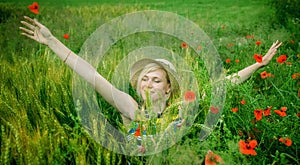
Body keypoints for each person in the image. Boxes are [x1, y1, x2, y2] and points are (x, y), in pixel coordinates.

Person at [19, 16, 282, 152]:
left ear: (168, 88)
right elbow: (91, 75)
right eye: (144, 78)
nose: (148, 83)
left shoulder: (181, 108)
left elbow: (223, 85)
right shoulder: (130, 109)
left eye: (156, 79)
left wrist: (259, 64)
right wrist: (52, 42)